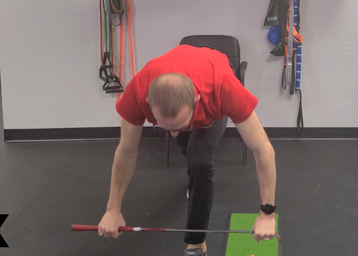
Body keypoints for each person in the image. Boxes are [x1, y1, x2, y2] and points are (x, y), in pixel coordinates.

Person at [98, 44, 277, 256]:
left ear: (196, 102)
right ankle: (197, 181)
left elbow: (263, 149)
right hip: (184, 86)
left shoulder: (222, 88)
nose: (173, 135)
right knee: (190, 155)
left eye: (180, 126)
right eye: (167, 128)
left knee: (199, 161)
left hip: (211, 81)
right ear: (148, 102)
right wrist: (112, 209)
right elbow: (126, 150)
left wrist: (267, 214)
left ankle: (196, 242)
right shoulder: (137, 92)